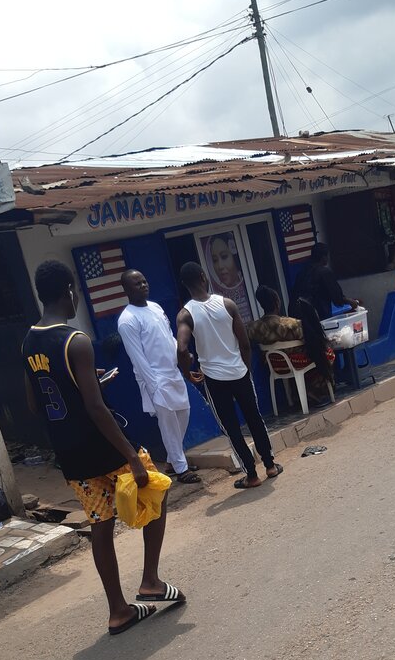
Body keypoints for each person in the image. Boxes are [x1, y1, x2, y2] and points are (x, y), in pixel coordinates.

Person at [22, 260, 185, 636]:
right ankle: (151, 581)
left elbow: (35, 405)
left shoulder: (28, 341)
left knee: (100, 526)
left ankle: (118, 611)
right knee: (156, 489)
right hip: (105, 447)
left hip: (71, 456)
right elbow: (95, 408)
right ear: (68, 291)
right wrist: (130, 455)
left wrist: (79, 386)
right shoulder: (75, 341)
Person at [176, 262, 283, 490]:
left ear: (185, 285)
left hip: (214, 380)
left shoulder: (185, 314)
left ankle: (251, 475)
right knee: (255, 418)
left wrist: (187, 373)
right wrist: (245, 369)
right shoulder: (228, 304)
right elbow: (244, 343)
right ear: (204, 277)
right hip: (239, 373)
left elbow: (182, 349)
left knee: (231, 428)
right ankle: (270, 465)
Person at [117, 270, 200, 485]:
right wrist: (153, 386)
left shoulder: (156, 307)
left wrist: (182, 357)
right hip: (155, 378)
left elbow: (168, 336)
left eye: (144, 281)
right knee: (168, 424)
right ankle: (181, 469)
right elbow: (137, 357)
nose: (143, 285)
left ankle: (173, 461)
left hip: (173, 371)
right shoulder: (127, 320)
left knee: (184, 413)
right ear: (126, 290)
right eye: (137, 284)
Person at [248, 286, 336, 404]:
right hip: (297, 363)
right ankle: (318, 392)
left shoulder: (253, 328)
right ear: (277, 303)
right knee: (325, 352)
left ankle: (297, 396)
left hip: (275, 366)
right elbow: (311, 341)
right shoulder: (292, 324)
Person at [290, 243, 359, 320]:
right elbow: (338, 298)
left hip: (298, 318)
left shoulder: (301, 273)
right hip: (318, 317)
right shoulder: (324, 272)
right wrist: (353, 302)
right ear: (324, 257)